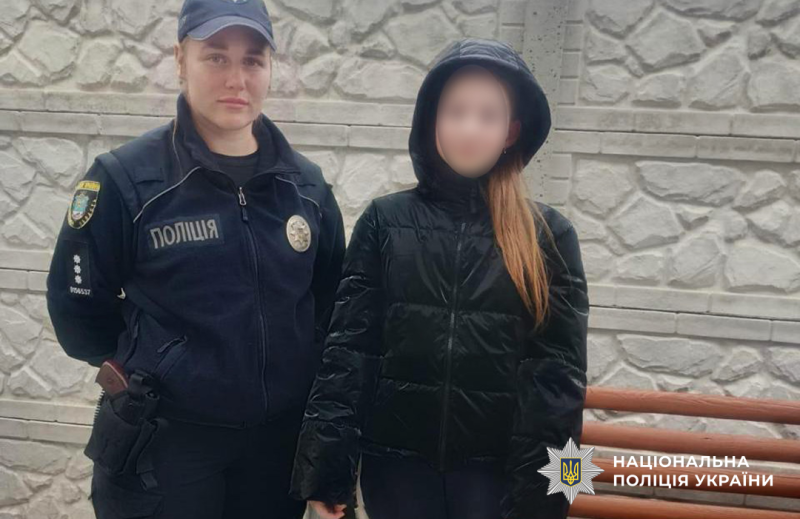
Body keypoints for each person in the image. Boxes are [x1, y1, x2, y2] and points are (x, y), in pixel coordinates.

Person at [45, 0, 345, 517]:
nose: (237, 78)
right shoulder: (125, 179)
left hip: (275, 449)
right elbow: (77, 309)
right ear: (180, 59)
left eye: (253, 60)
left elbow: (330, 306)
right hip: (166, 447)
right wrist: (158, 364)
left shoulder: (307, 188)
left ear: (270, 68)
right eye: (216, 56)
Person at [289, 38, 589, 519]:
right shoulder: (385, 222)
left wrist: (554, 495)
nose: (470, 128)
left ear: (510, 131)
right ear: (432, 120)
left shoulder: (549, 236)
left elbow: (561, 383)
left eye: (487, 115)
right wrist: (325, 472)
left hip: (496, 481)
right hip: (397, 472)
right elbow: (348, 353)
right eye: (456, 111)